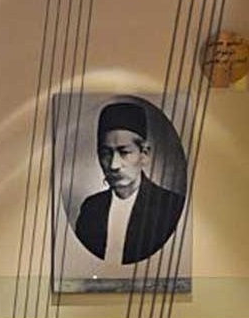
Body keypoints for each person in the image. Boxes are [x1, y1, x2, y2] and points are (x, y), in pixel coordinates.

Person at [74, 102, 185, 265]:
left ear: (144, 154)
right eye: (106, 153)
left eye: (124, 152)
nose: (114, 165)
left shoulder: (171, 207)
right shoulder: (91, 208)